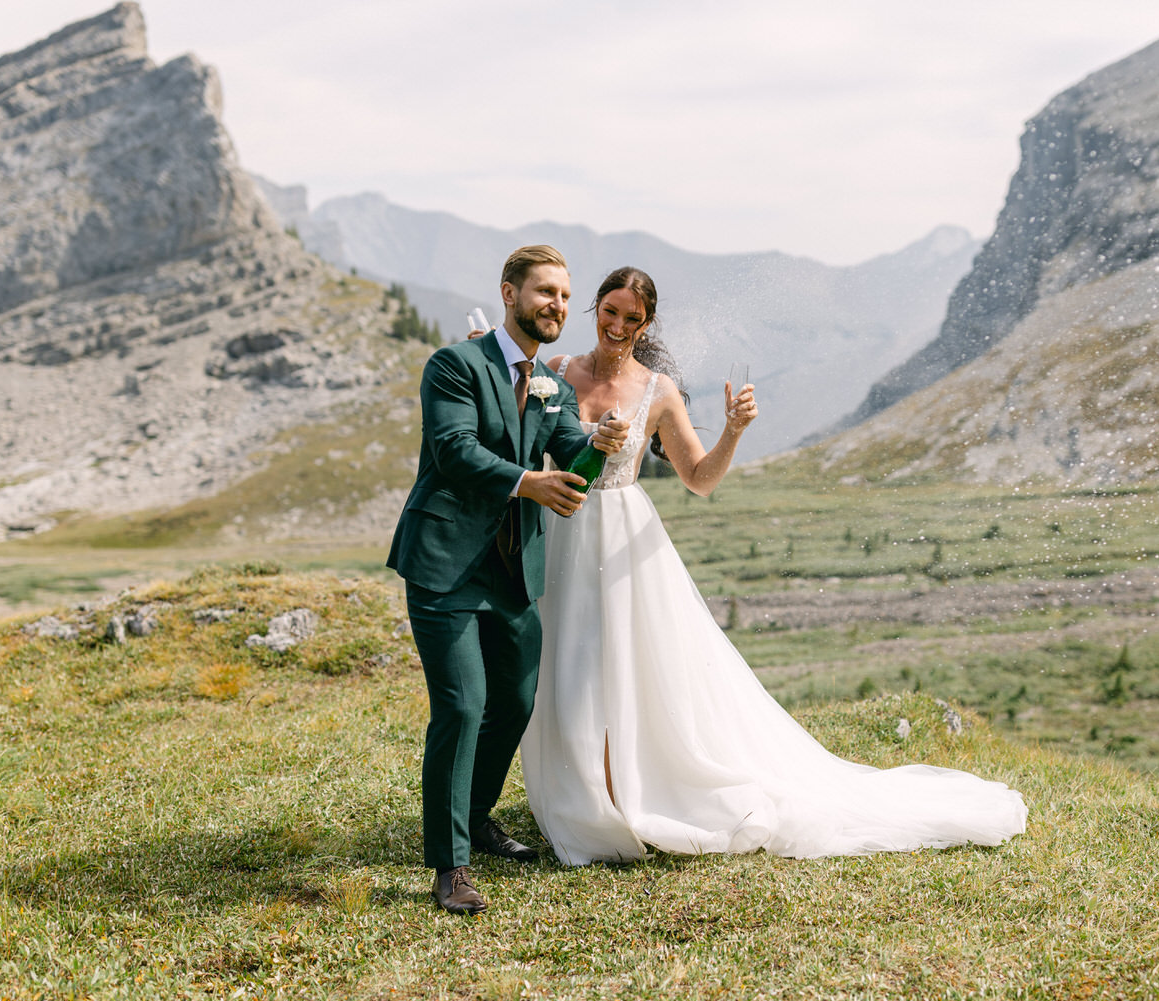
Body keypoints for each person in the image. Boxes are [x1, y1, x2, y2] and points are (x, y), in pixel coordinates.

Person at [520, 266, 1027, 866]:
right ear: (594, 308)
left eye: (634, 318)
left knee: (614, 666)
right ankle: (577, 792)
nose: (619, 326)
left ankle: (614, 799)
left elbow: (701, 480)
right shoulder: (553, 374)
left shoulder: (659, 391)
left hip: (622, 538)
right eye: (610, 311)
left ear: (647, 323)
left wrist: (734, 429)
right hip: (559, 528)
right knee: (561, 662)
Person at [386, 245, 631, 914]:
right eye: (543, 291)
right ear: (509, 293)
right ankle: (451, 864)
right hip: (443, 564)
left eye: (562, 295)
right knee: (463, 706)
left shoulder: (553, 385)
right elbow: (454, 449)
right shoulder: (455, 365)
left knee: (515, 703)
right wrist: (529, 481)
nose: (555, 304)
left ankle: (474, 815)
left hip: (512, 569)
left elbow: (567, 459)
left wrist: (596, 446)